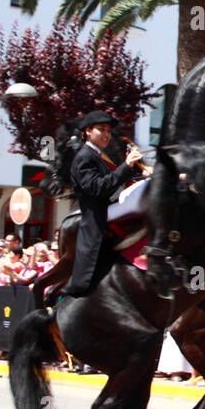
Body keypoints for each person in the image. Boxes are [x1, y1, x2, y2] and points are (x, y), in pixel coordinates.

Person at [67, 111, 143, 297]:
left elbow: (113, 182)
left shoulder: (99, 156)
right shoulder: (84, 157)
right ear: (87, 131)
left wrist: (135, 172)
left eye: (108, 131)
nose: (106, 135)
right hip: (97, 215)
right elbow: (97, 188)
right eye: (101, 130)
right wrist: (126, 166)